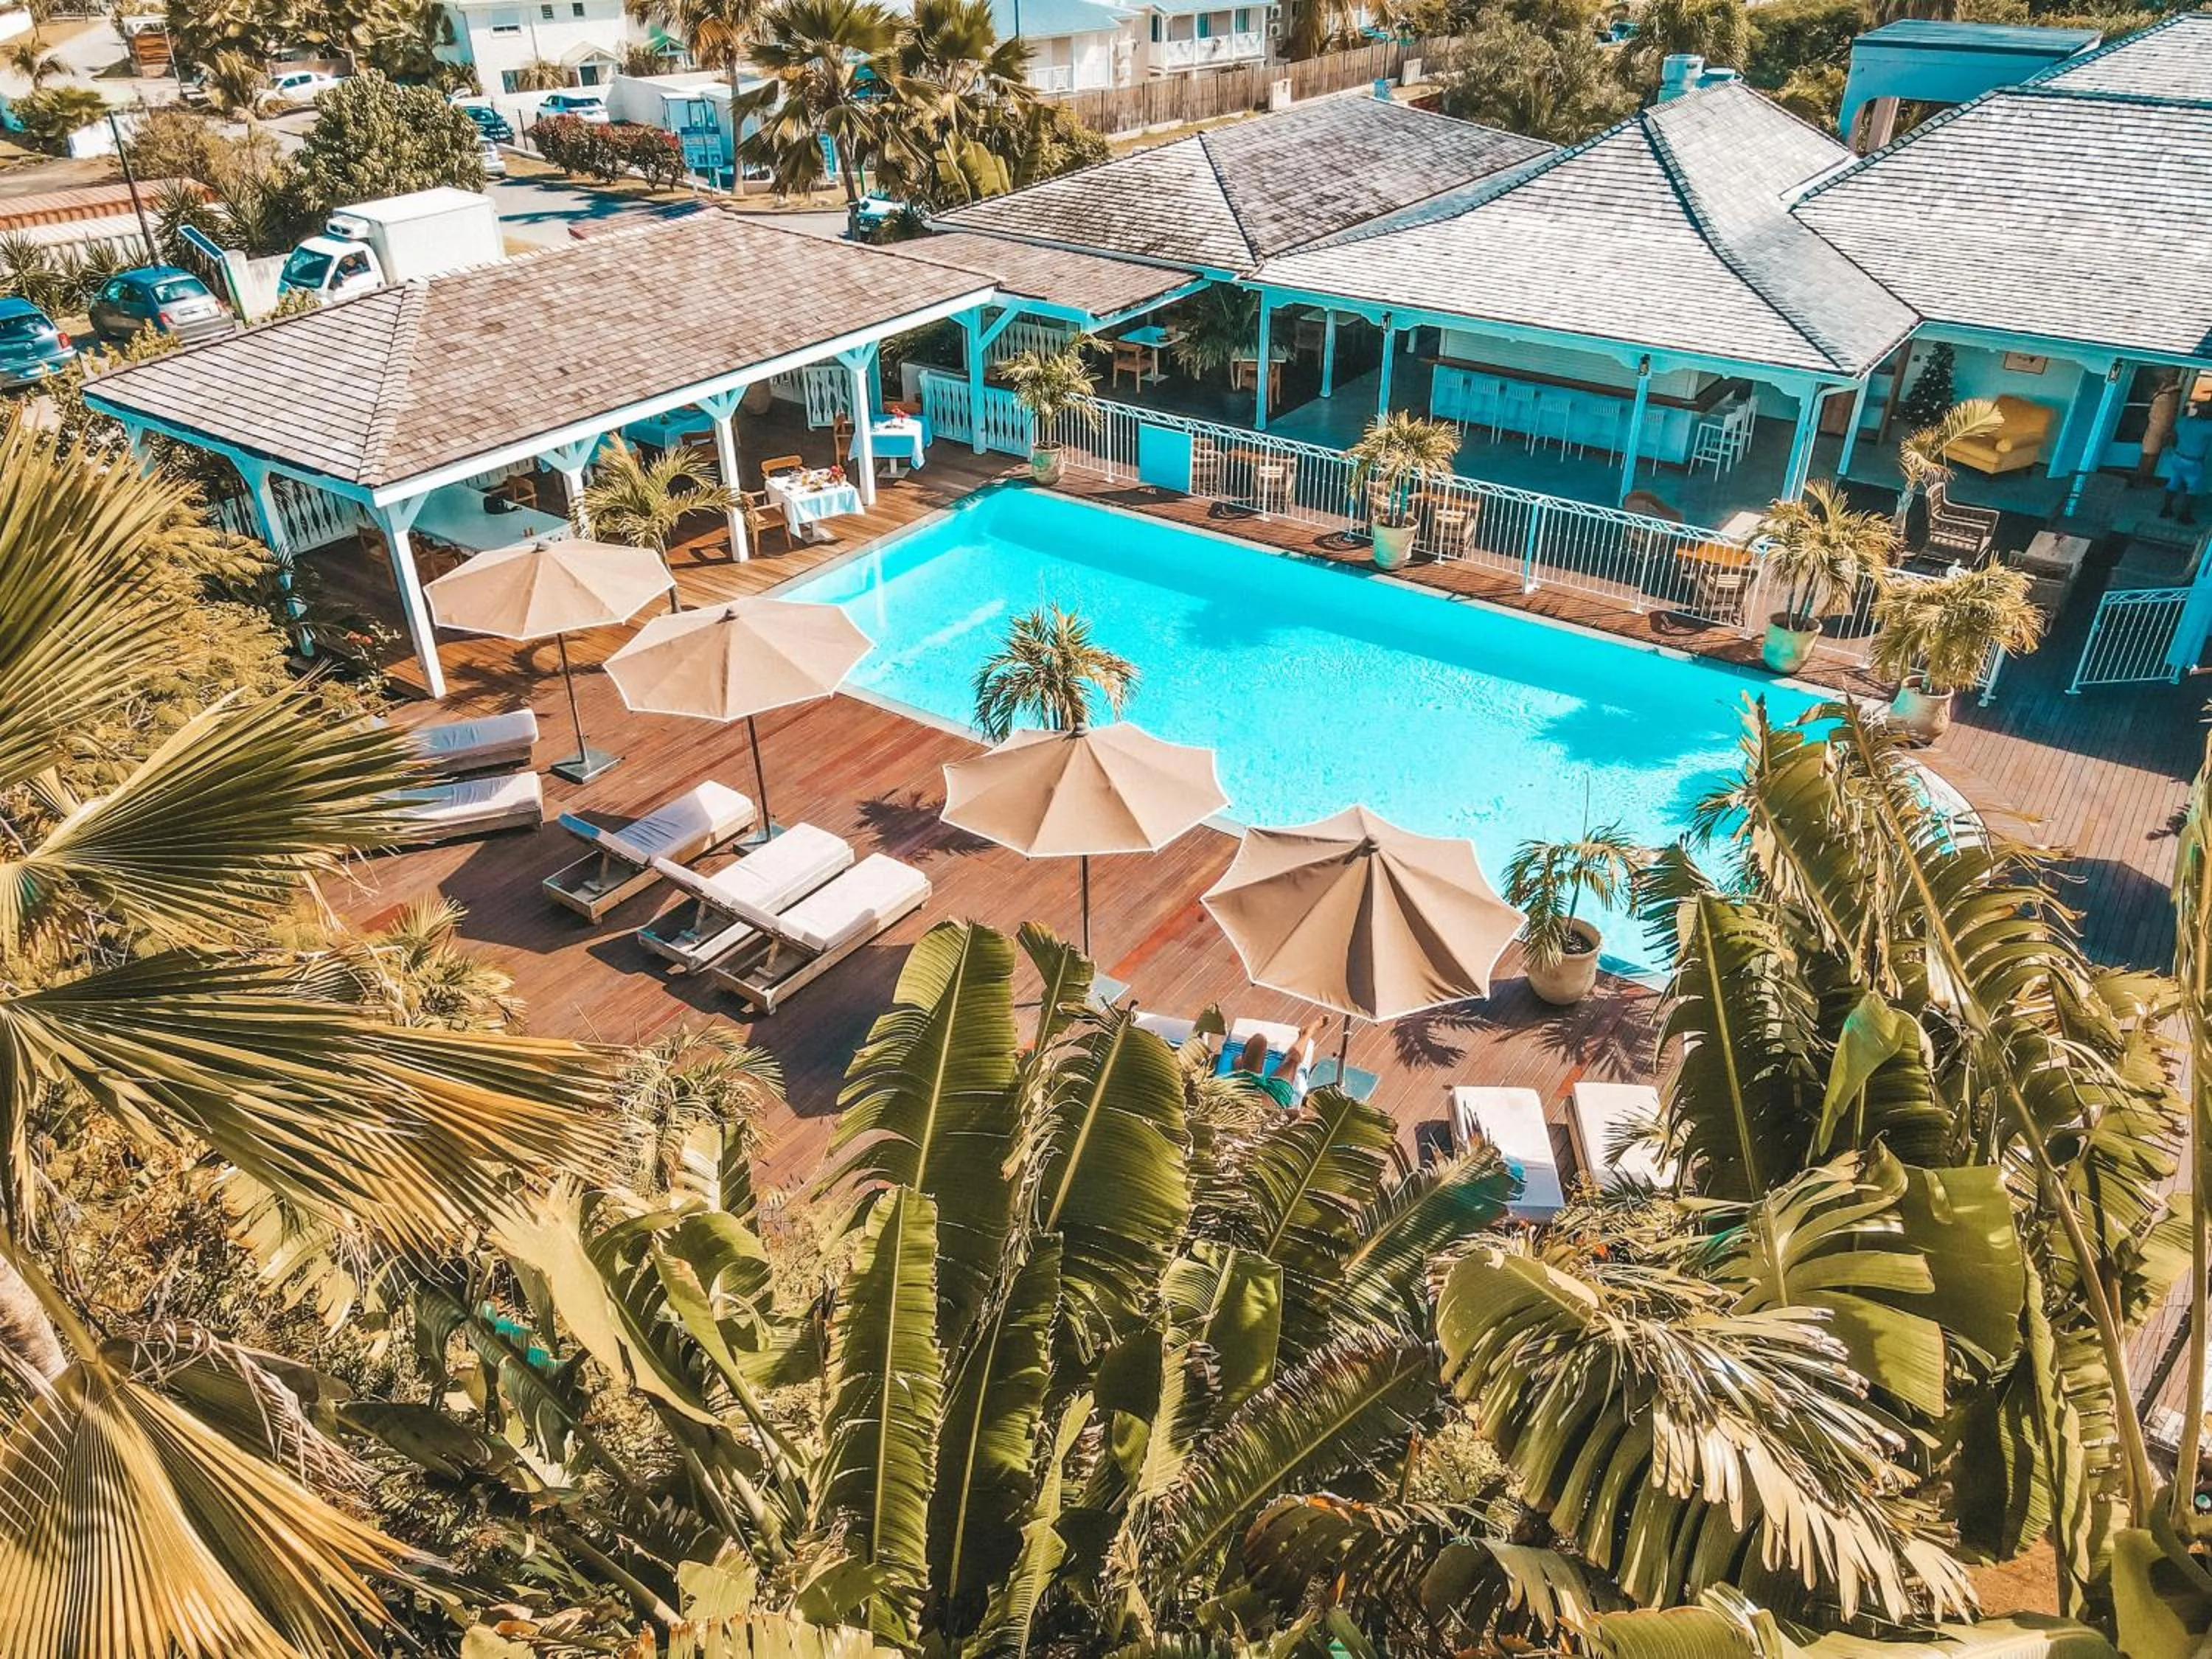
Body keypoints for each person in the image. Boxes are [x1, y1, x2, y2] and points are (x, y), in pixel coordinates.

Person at [1228, 1028, 1307, 1108]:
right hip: (1274, 1102)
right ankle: (1307, 1033)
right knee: (1292, 1061)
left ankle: (1244, 1068)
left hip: (1252, 1093)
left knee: (1260, 1041)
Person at [2163, 399, 2212, 526]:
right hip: (2194, 462)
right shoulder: (2208, 427)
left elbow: (2173, 438)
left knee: (2173, 483)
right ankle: (2184, 515)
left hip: (2177, 458)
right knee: (2193, 489)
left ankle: (2166, 509)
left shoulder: (2183, 421)